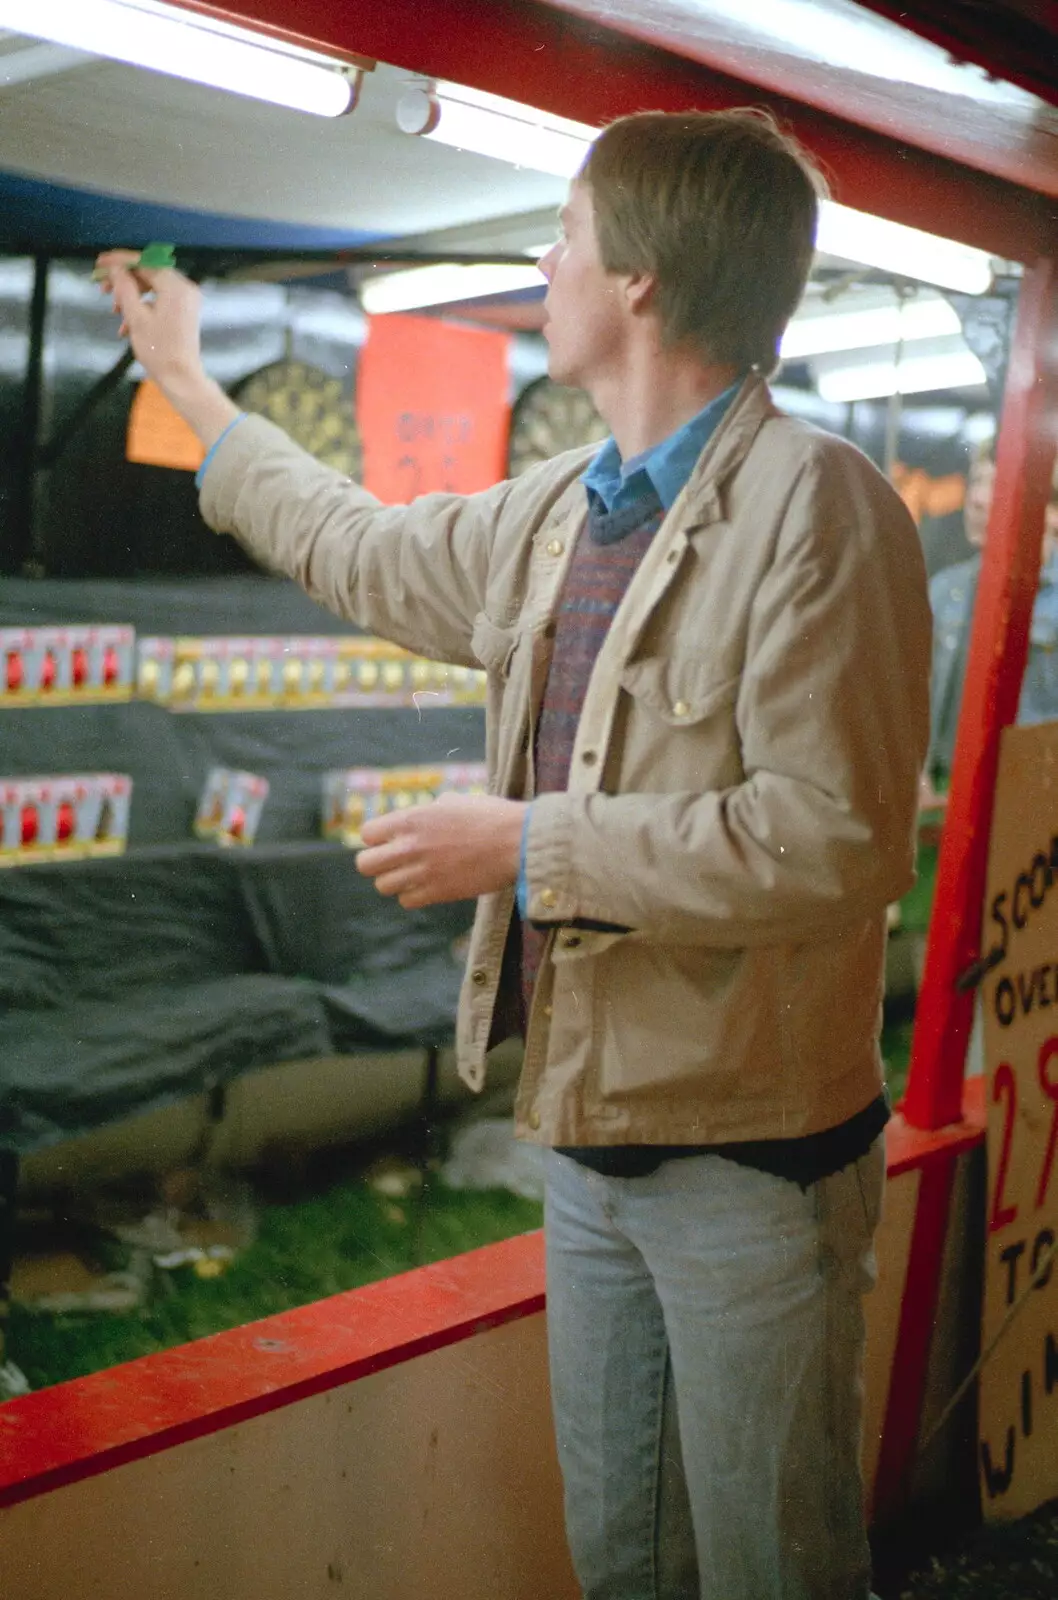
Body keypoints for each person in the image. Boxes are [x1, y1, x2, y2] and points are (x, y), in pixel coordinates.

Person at [97, 107, 930, 1600]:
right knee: (624, 1562)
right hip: (591, 1137)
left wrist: (528, 842)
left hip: (753, 1165)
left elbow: (838, 840)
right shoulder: (561, 509)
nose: (543, 260)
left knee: (773, 1567)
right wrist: (187, 388)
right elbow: (355, 543)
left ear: (640, 283)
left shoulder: (822, 512)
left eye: (564, 232)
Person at [926, 438, 1058, 789]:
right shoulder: (945, 591)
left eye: (998, 482)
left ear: (1051, 510)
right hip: (944, 796)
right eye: (977, 481)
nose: (977, 498)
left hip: (1031, 803)